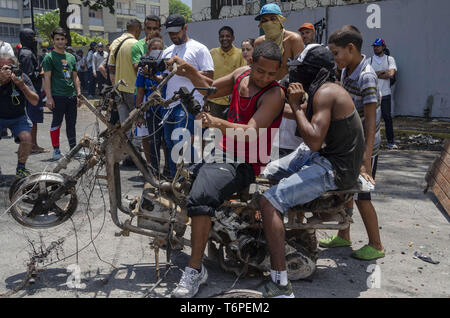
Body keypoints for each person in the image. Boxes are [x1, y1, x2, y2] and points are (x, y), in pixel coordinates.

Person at [167, 41, 285, 298]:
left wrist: (217, 122)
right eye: (261, 71)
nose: (265, 77)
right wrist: (188, 71)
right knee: (178, 179)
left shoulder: (274, 94)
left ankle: (195, 270)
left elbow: (252, 133)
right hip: (221, 151)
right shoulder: (240, 74)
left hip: (244, 161)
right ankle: (194, 239)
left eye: (271, 74)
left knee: (200, 198)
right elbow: (208, 89)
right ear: (251, 63)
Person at [258, 44, 365, 297]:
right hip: (323, 155)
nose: (296, 76)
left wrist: (295, 106)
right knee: (265, 173)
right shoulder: (322, 89)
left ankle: (281, 283)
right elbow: (303, 118)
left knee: (268, 202)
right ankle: (286, 238)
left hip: (333, 167)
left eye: (301, 71)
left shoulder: (325, 93)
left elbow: (314, 138)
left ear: (315, 72)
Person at [323, 25, 385, 260]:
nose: (334, 58)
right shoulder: (346, 70)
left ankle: (376, 244)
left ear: (351, 48)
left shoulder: (366, 76)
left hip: (365, 147)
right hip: (351, 143)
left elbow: (370, 122)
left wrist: (365, 159)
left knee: (362, 196)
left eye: (336, 52)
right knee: (347, 191)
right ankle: (344, 236)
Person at [161, 14, 214, 177]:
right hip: (169, 105)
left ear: (185, 28)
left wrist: (186, 69)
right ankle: (173, 181)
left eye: (176, 32)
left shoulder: (199, 49)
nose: (173, 36)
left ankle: (188, 181)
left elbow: (209, 77)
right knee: (170, 144)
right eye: (170, 33)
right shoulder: (167, 51)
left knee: (183, 145)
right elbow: (166, 79)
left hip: (188, 104)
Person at [42, 27, 83, 161]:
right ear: (53, 41)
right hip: (57, 96)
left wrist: (79, 94)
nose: (60, 41)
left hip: (71, 96)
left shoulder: (71, 57)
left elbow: (75, 77)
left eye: (62, 39)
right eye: (57, 39)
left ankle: (73, 150)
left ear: (66, 40)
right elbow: (46, 78)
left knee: (71, 124)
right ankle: (56, 150)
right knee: (56, 123)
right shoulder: (49, 57)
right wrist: (49, 98)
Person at [0, 53, 40, 177]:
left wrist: (21, 85)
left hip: (18, 117)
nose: (5, 70)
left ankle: (21, 168)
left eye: (8, 66)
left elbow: (35, 100)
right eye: (1, 67)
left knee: (27, 138)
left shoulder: (21, 77)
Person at [135, 37, 166, 174]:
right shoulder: (143, 67)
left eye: (160, 49)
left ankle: (168, 170)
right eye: (154, 49)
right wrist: (138, 111)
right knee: (153, 140)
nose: (157, 51)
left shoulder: (166, 65)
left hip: (166, 108)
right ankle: (154, 171)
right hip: (151, 109)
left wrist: (153, 75)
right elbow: (140, 90)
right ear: (148, 50)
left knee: (167, 140)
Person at [108, 19, 142, 141]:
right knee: (137, 122)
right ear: (137, 29)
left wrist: (114, 87)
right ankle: (135, 152)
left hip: (119, 89)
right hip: (134, 90)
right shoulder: (136, 44)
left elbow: (110, 68)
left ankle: (127, 153)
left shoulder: (115, 43)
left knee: (125, 125)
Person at [254, 3, 304, 80]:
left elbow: (301, 71)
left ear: (280, 20)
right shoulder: (259, 43)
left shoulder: (293, 40)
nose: (269, 23)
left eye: (273, 19)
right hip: (265, 88)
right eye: (264, 20)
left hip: (287, 88)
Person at [18, 28, 48, 154]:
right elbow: (28, 75)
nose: (35, 40)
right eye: (33, 37)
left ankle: (30, 144)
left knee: (30, 119)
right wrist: (41, 72)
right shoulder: (27, 54)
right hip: (31, 92)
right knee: (32, 120)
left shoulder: (25, 52)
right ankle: (32, 146)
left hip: (29, 91)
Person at [208, 26, 247, 120]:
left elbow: (243, 77)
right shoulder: (212, 53)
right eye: (222, 36)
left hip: (233, 101)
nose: (224, 39)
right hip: (215, 100)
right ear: (219, 38)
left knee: (231, 131)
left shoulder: (240, 54)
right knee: (215, 130)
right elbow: (208, 75)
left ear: (233, 38)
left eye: (227, 36)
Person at [370, 38, 398, 149]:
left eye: (378, 46)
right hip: (373, 94)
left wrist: (376, 74)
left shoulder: (389, 59)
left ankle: (390, 142)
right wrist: (383, 72)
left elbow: (391, 73)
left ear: (383, 47)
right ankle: (371, 142)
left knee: (387, 118)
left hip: (385, 93)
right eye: (374, 46)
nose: (376, 48)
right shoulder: (370, 60)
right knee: (372, 119)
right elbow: (369, 75)